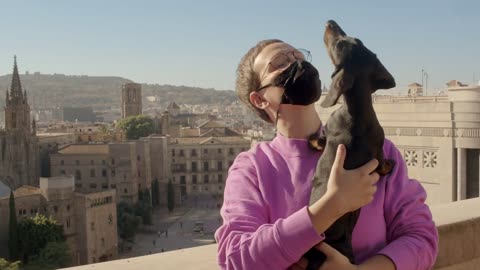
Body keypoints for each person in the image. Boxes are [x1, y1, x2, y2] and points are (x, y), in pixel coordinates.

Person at [214, 39, 438, 270]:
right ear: (259, 99)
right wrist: (332, 206)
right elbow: (236, 258)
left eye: (298, 56)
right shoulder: (253, 168)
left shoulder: (377, 149)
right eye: (280, 62)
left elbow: (421, 238)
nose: (296, 62)